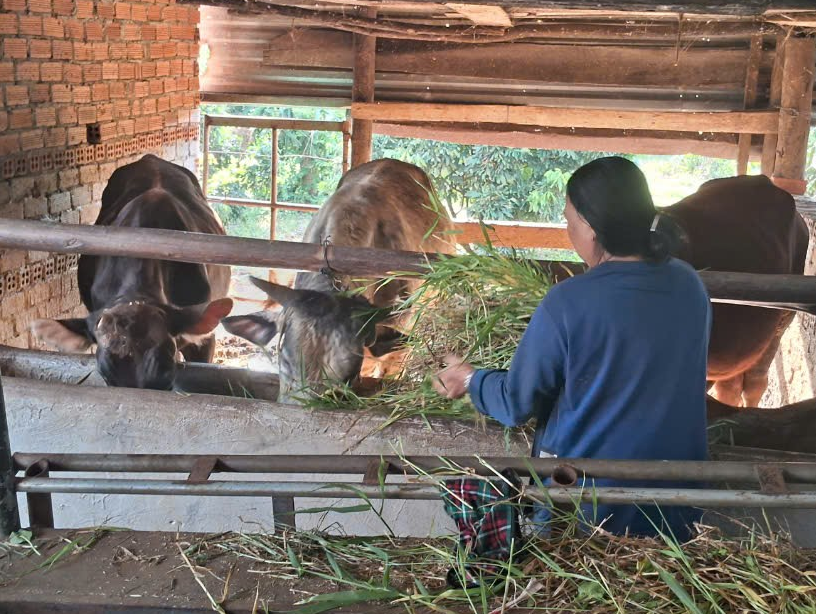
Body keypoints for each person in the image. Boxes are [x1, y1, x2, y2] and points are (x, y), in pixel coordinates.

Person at [433, 156, 711, 540]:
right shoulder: (688, 284)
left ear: (592, 228)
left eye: (569, 221)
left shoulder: (568, 302)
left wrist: (470, 378)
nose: (568, 231)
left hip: (589, 514)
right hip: (674, 507)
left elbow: (517, 404)